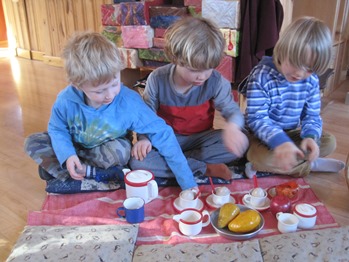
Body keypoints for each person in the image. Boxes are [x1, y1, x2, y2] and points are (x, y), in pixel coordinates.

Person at [24, 31, 199, 192]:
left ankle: (76, 173)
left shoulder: (128, 101)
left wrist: (188, 182)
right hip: (77, 147)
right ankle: (79, 170)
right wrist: (67, 155)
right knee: (32, 142)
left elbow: (162, 134)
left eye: (114, 84)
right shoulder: (66, 100)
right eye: (99, 91)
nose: (110, 95)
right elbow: (57, 129)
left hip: (107, 150)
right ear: (77, 85)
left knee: (122, 151)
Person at [129, 17, 249, 181]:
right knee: (137, 161)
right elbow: (146, 116)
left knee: (241, 142)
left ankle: (177, 161)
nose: (202, 76)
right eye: (193, 70)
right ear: (176, 59)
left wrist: (233, 128)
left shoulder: (216, 81)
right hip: (166, 138)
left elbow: (232, 111)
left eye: (208, 69)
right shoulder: (157, 79)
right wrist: (143, 139)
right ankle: (202, 167)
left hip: (200, 139)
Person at [241, 16, 345, 178]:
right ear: (283, 51)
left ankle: (295, 161)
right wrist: (280, 142)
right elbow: (257, 119)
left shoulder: (311, 81)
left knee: (328, 142)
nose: (300, 73)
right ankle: (309, 165)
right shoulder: (262, 75)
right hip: (260, 137)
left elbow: (311, 115)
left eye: (309, 69)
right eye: (296, 63)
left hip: (290, 134)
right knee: (258, 156)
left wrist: (310, 137)